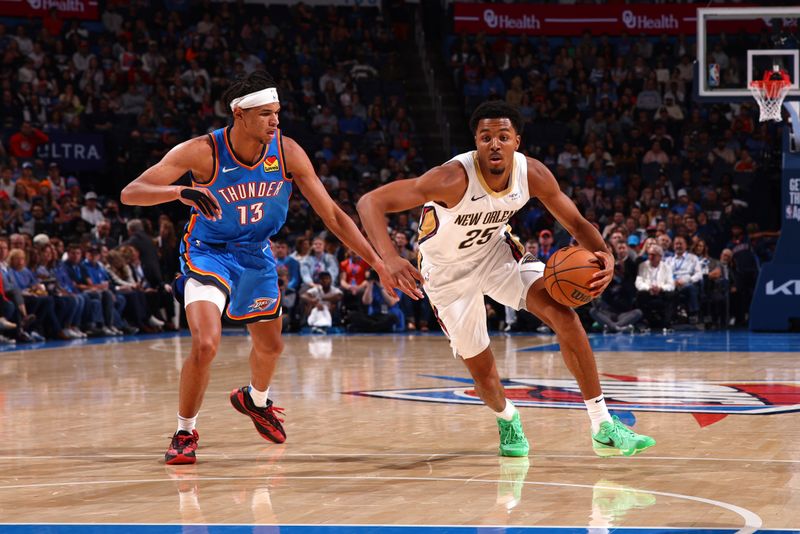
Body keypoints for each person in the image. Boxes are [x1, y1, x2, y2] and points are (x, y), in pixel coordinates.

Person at [120, 71, 413, 465]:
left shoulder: (287, 151)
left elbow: (333, 215)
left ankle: (255, 401)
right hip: (208, 252)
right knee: (206, 343)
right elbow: (131, 192)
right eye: (265, 114)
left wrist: (377, 262)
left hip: (256, 253)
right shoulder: (201, 152)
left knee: (271, 346)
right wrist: (180, 191)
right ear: (239, 114)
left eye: (277, 113)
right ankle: (184, 432)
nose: (275, 121)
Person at [357, 101, 654, 458]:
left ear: (517, 140)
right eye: (486, 137)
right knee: (483, 373)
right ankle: (507, 417)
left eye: (502, 136)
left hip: (496, 254)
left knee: (565, 316)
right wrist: (389, 258)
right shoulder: (451, 178)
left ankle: (602, 423)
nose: (494, 144)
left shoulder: (533, 174)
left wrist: (604, 256)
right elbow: (369, 202)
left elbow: (575, 223)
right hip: (446, 274)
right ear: (476, 143)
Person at [635, 244, 675, 329]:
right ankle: (647, 322)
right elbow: (638, 282)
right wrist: (649, 287)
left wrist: (660, 288)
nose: (650, 256)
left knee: (671, 294)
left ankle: (666, 323)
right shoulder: (642, 265)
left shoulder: (667, 267)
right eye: (649, 254)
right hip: (648, 292)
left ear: (660, 256)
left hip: (661, 292)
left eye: (653, 255)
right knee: (640, 294)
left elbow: (671, 284)